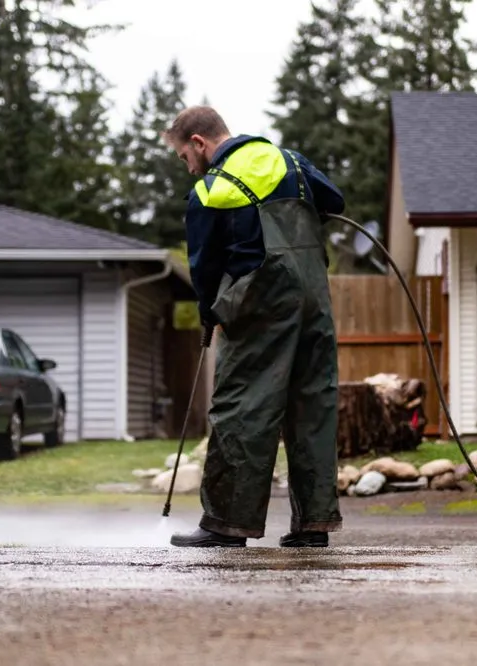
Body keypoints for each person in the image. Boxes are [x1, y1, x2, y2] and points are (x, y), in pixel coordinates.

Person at [162, 105, 346, 548]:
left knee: (243, 405)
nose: (188, 167)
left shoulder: (211, 190)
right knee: (312, 406)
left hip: (261, 303)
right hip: (314, 299)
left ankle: (227, 524)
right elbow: (333, 201)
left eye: (184, 156)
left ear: (200, 144)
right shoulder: (291, 162)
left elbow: (204, 267)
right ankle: (313, 526)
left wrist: (211, 313)